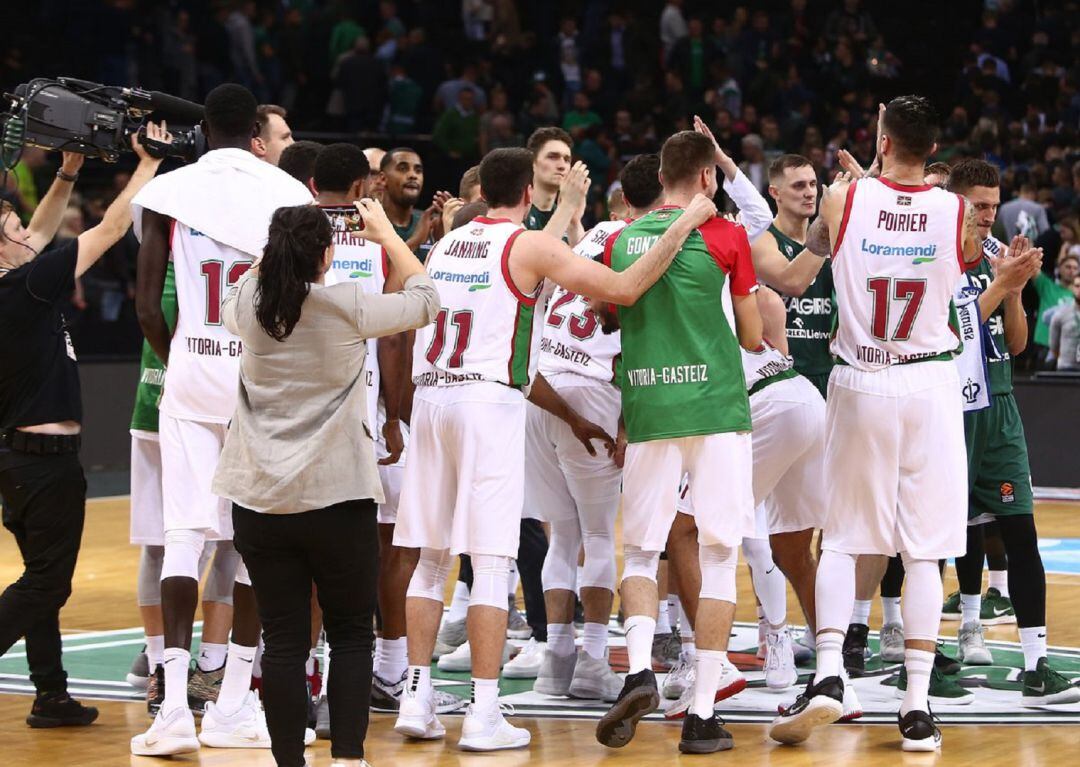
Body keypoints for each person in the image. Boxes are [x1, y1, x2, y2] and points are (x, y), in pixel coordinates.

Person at [392, 147, 713, 752]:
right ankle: (484, 713)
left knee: (431, 561)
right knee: (491, 561)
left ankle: (416, 694)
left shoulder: (443, 244)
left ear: (483, 191)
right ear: (524, 191)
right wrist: (685, 222)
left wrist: (566, 212)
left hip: (432, 396)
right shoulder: (527, 245)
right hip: (487, 402)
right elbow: (623, 286)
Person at [769, 95, 982, 752]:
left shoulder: (842, 200)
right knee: (923, 549)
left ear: (882, 140)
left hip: (861, 378)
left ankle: (831, 669)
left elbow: (821, 244)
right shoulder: (955, 211)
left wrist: (862, 189)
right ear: (935, 151)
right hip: (929, 382)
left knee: (843, 541)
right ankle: (916, 704)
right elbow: (968, 258)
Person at [211, 201, 439, 767]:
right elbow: (427, 300)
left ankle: (289, 760)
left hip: (260, 499)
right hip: (338, 497)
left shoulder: (245, 303)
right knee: (350, 634)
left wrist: (278, 249)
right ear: (325, 252)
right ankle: (348, 759)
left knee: (284, 641)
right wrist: (387, 233)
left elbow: (247, 284)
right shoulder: (345, 305)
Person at [130, 84, 313, 757]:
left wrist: (180, 354)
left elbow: (147, 303)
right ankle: (234, 702)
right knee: (249, 542)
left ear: (204, 129)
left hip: (190, 371)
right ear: (255, 131)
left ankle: (174, 706)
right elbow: (300, 299)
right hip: (258, 376)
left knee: (185, 535)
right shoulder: (285, 193)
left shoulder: (171, 191)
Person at [597, 129, 763, 756]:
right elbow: (751, 337)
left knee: (641, 553)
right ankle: (699, 715)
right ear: (704, 179)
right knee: (720, 556)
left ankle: (640, 670)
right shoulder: (725, 236)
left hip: (647, 406)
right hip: (717, 407)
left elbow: (612, 316)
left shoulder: (617, 240)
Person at [0, 131, 165, 729]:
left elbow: (40, 235)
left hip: (20, 462)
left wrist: (67, 175)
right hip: (42, 462)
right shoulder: (21, 286)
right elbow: (110, 230)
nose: (28, 233)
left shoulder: (15, 279)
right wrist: (146, 164)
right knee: (47, 583)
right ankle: (50, 693)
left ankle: (50, 695)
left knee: (38, 579)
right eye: (13, 227)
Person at [309, 143, 464, 722]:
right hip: (366, 414)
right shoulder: (373, 243)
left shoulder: (286, 233)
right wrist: (397, 414)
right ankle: (392, 671)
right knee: (394, 545)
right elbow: (397, 331)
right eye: (377, 174)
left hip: (298, 417)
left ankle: (306, 681)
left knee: (315, 558)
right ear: (361, 188)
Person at [941, 160, 1077, 705]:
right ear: (955, 204)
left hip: (999, 405)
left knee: (1020, 531)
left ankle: (1036, 664)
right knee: (942, 536)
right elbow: (950, 333)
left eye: (994, 206)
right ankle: (941, 639)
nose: (987, 216)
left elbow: (1018, 345)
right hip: (947, 407)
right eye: (978, 205)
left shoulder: (999, 257)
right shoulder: (936, 259)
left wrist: (1015, 290)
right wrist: (1002, 285)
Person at [529, 155, 663, 704]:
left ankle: (553, 663)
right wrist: (629, 423)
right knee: (599, 536)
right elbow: (636, 342)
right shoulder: (645, 246)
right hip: (590, 392)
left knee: (561, 535)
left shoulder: (592, 236)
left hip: (539, 389)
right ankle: (589, 659)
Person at [379, 148, 447, 262]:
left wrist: (444, 241)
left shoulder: (431, 224)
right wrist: (416, 240)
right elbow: (376, 271)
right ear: (383, 178)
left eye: (418, 170)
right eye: (403, 169)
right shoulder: (367, 222)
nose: (413, 175)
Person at [525, 127, 588, 245]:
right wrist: (567, 205)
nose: (562, 166)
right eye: (553, 157)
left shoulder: (567, 213)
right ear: (533, 162)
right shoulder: (518, 211)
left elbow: (580, 260)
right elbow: (538, 258)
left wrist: (574, 223)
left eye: (567, 160)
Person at [1049, 273, 1080, 370]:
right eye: (1077, 286)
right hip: (1066, 367)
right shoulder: (1060, 313)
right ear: (1072, 288)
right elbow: (1053, 346)